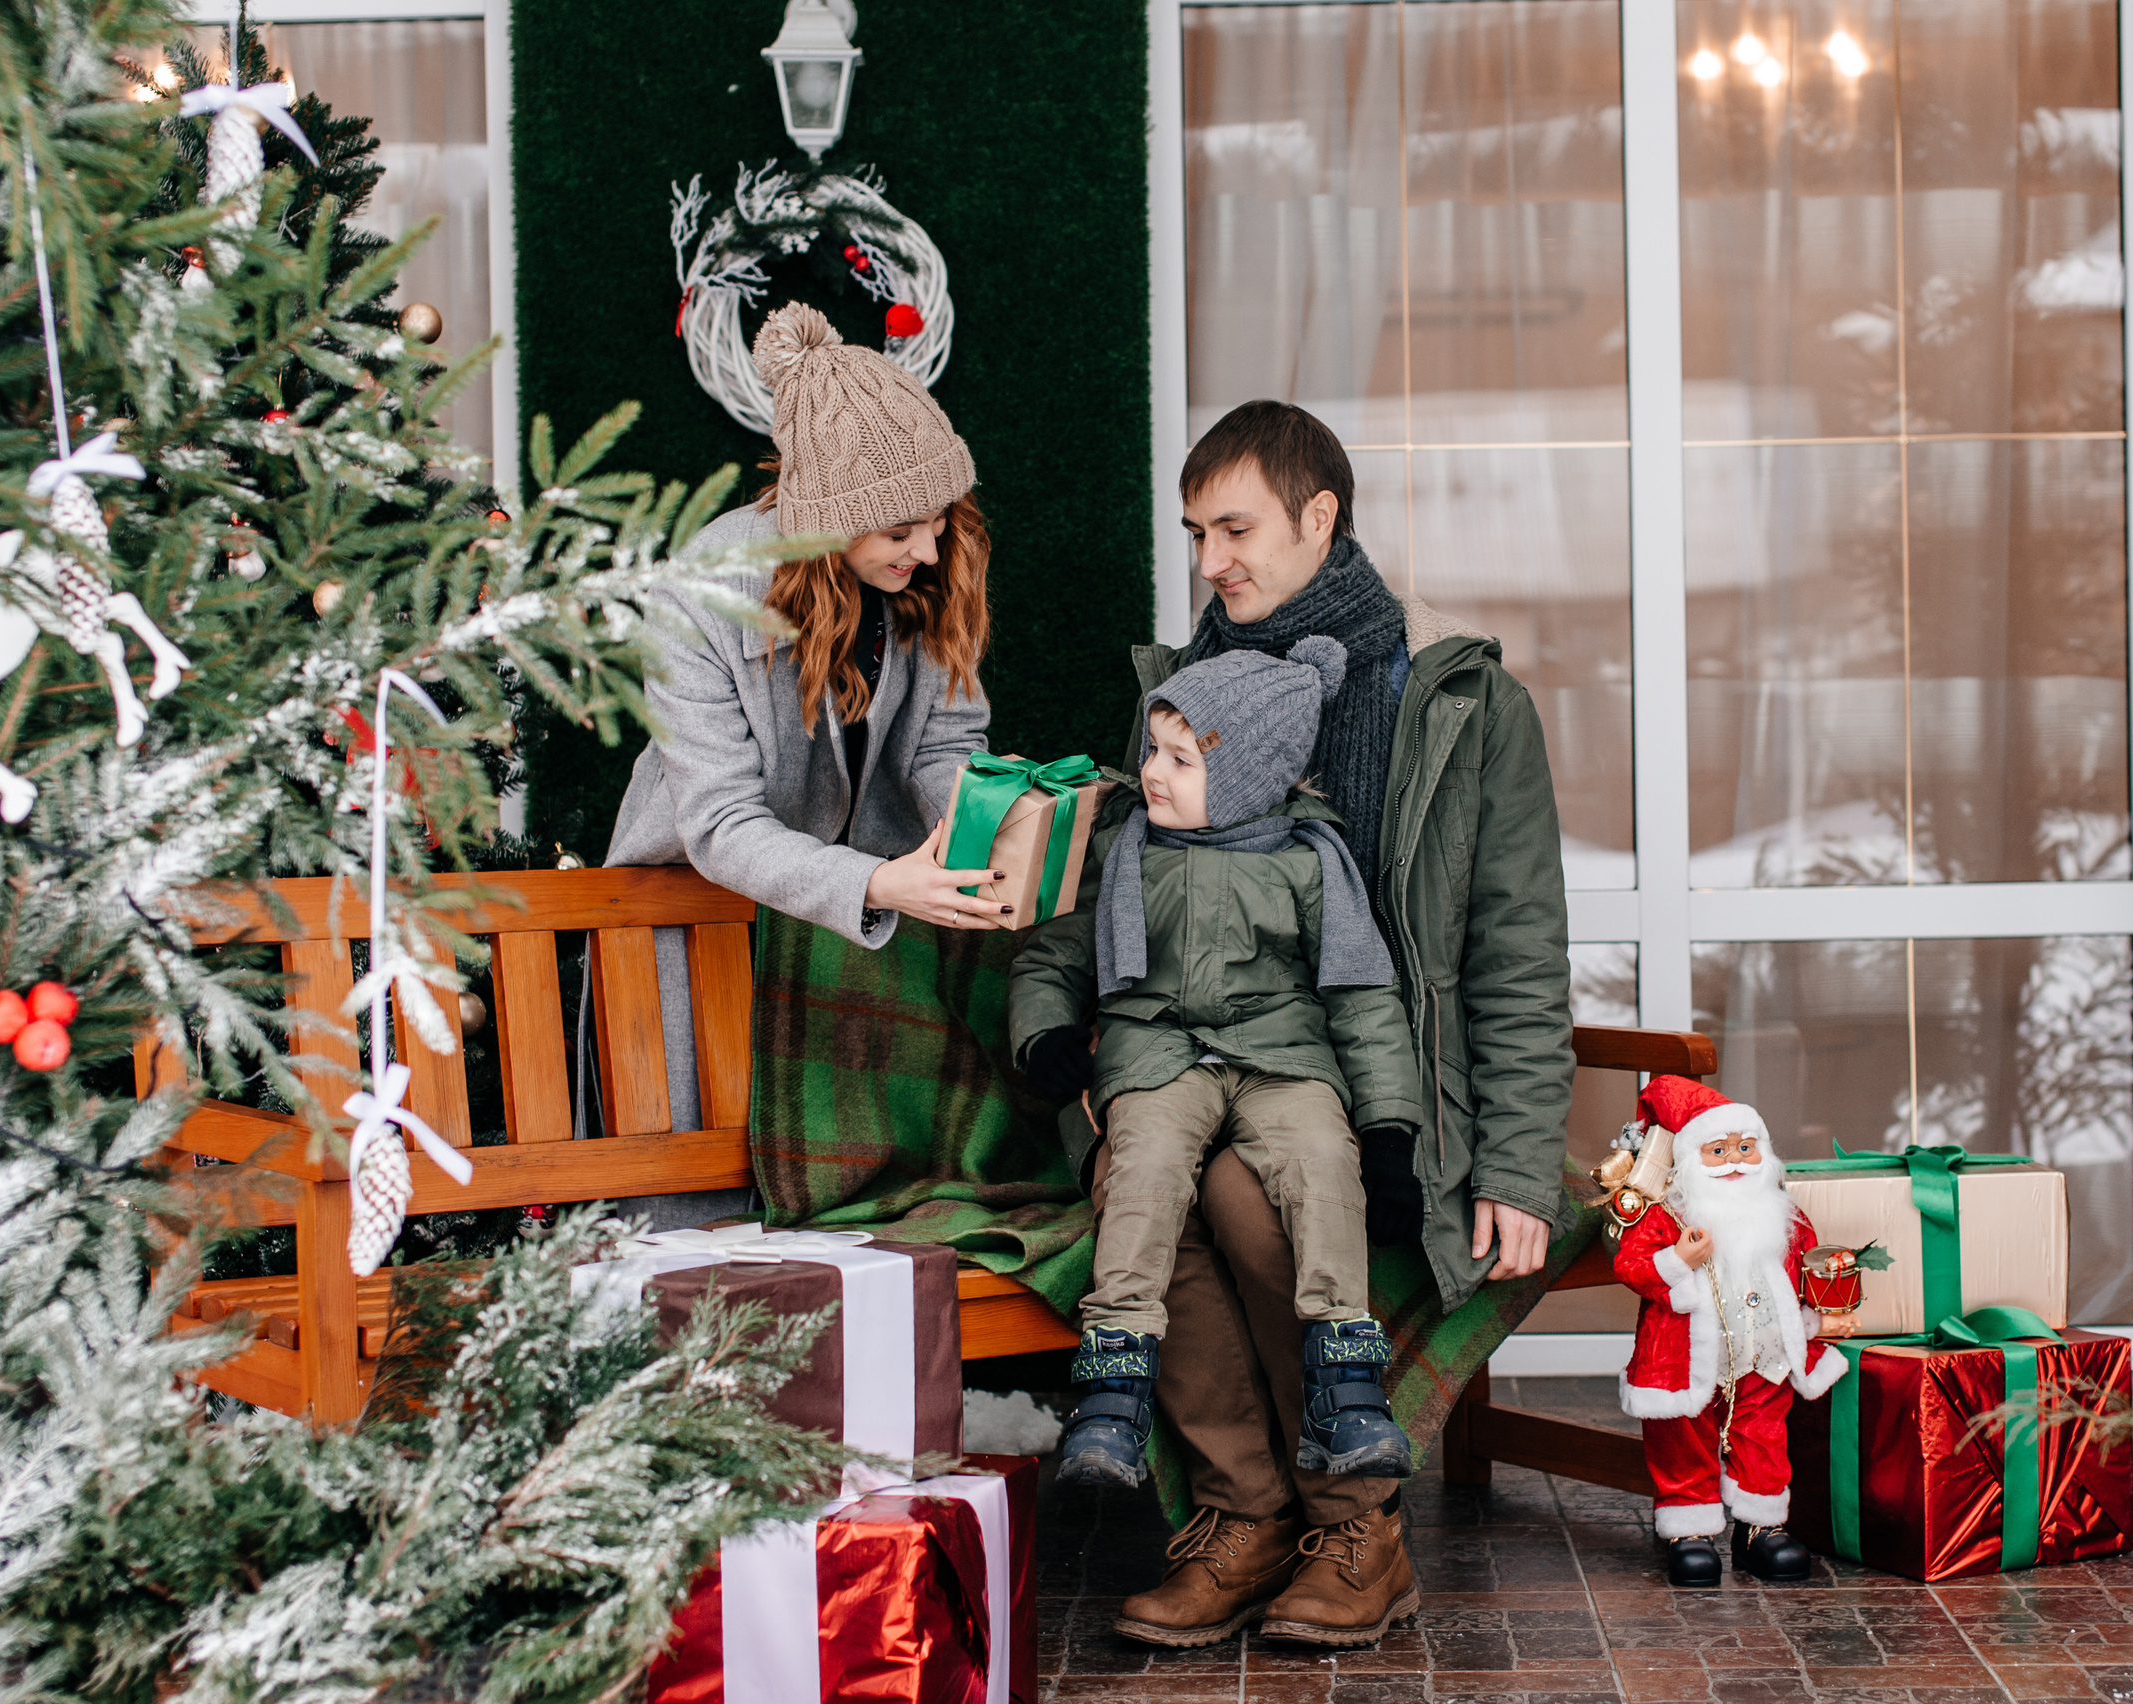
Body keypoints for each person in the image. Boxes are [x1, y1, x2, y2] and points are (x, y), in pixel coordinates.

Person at [1012, 400, 1574, 1647]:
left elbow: (1518, 950)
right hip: (1181, 1054)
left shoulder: (1457, 697)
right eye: (1195, 534)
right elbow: (1116, 901)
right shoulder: (1176, 693)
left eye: (1235, 528)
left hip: (1384, 1080)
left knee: (1245, 1199)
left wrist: (1519, 1165)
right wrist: (1087, 1042)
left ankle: (1355, 1530)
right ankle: (1250, 1515)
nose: (1210, 560)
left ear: (1319, 516)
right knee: (1145, 1181)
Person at [605, 304, 1009, 1212]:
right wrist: (879, 883)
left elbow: (946, 741)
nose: (929, 549)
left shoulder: (924, 578)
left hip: (839, 948)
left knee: (844, 1207)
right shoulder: (705, 595)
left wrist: (982, 811)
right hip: (697, 924)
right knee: (698, 1219)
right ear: (831, 522)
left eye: (937, 521)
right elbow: (720, 824)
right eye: (901, 530)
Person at [1013, 638, 1424, 1498]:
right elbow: (1055, 957)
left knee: (1324, 1163)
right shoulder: (1125, 850)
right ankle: (1113, 1393)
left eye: (1181, 760)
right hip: (1155, 1050)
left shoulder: (1310, 862)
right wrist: (1045, 1033)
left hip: (1282, 1055)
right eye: (1154, 750)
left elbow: (1361, 997)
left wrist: (1388, 1130)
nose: (1151, 773)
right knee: (1145, 1170)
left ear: (1244, 780)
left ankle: (1347, 1388)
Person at [1612, 1076, 1844, 1587]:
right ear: (1692, 1158)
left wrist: (1820, 1309)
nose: (1735, 1160)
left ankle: (1761, 1527)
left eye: (1745, 1147)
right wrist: (1678, 1259)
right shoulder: (1666, 1213)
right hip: (1684, 1357)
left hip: (1764, 1352)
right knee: (1683, 1437)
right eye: (1718, 1150)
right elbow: (1631, 1266)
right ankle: (1689, 1530)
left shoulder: (1782, 1213)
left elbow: (1807, 1263)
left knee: (1763, 1434)